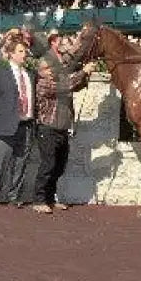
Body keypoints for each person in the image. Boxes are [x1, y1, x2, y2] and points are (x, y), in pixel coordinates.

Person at [30, 32, 94, 214]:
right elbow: (64, 86)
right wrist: (83, 72)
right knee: (48, 164)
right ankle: (38, 199)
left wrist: (85, 75)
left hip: (62, 126)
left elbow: (75, 85)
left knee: (59, 165)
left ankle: (50, 198)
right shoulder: (43, 80)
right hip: (47, 125)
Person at [0, 37, 35, 207]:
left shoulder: (30, 75)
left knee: (21, 162)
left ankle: (14, 195)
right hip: (5, 125)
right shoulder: (0, 73)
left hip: (26, 124)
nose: (24, 55)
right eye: (20, 51)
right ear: (11, 54)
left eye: (25, 51)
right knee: (0, 162)